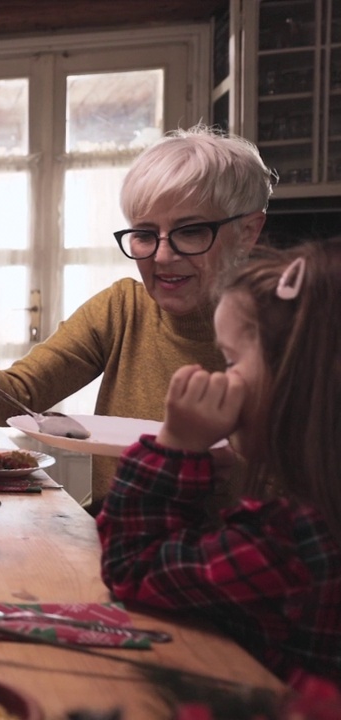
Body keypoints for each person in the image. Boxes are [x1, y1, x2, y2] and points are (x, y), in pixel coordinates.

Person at [0, 125, 273, 505]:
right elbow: (18, 398)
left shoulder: (293, 334)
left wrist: (231, 472)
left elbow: (311, 498)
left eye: (190, 231)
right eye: (145, 234)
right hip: (114, 545)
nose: (162, 256)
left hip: (230, 558)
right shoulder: (122, 309)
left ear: (247, 232)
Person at [98, 241, 341, 685]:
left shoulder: (288, 543)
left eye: (231, 361)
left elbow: (131, 566)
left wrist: (176, 446)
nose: (225, 377)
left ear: (294, 376)